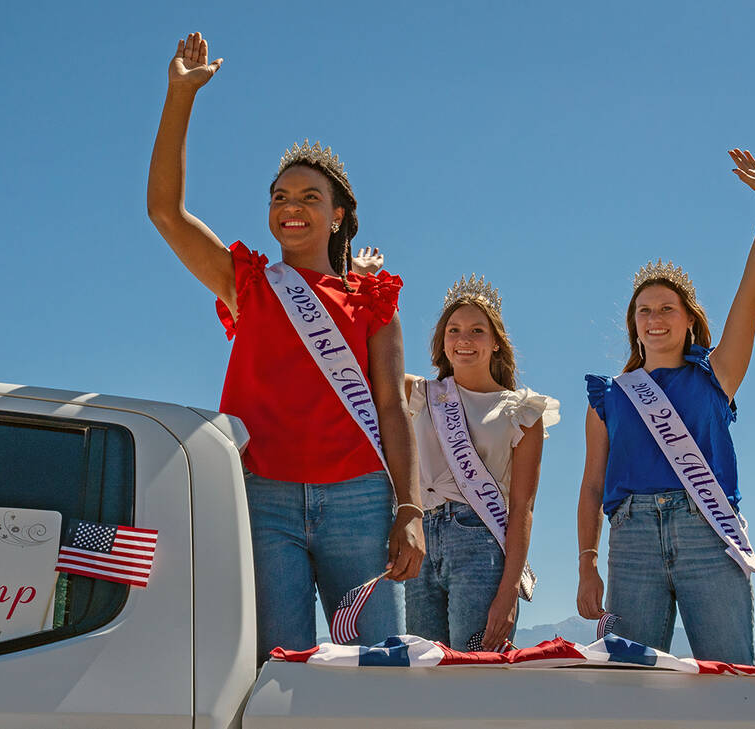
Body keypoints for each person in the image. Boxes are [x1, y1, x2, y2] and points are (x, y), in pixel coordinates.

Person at [146, 33, 424, 663]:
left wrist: (408, 506)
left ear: (338, 215)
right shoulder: (247, 284)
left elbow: (391, 407)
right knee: (277, 668)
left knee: (379, 670)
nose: (290, 208)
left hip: (360, 496)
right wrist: (180, 97)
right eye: (279, 197)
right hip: (263, 495)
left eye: (308, 198)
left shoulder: (372, 296)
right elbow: (165, 212)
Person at [575, 149, 755, 664]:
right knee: (630, 689)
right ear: (634, 324)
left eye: (667, 308)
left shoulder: (718, 375)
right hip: (632, 542)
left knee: (729, 678)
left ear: (689, 319)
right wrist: (587, 564)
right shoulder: (612, 394)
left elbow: (752, 293)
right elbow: (592, 484)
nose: (655, 318)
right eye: (644, 310)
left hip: (708, 534)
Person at [352, 251, 558, 653]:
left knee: (477, 673)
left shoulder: (522, 410)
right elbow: (357, 359)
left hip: (481, 544)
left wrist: (509, 591)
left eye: (477, 331)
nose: (464, 340)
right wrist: (362, 282)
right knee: (423, 669)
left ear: (496, 342)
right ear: (442, 342)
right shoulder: (419, 394)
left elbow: (522, 508)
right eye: (454, 330)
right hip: (419, 539)